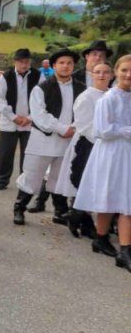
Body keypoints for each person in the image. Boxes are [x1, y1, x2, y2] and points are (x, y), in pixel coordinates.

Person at [13, 48, 85, 226]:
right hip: (43, 141)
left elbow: (85, 113)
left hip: (68, 140)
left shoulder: (81, 88)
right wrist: (61, 128)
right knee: (32, 175)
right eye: (61, 63)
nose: (65, 66)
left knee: (59, 176)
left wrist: (73, 129)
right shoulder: (42, 88)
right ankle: (20, 208)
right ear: (54, 66)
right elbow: (39, 115)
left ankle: (59, 212)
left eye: (69, 63)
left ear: (73, 65)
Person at [74, 55, 131, 268]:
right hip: (111, 153)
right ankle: (112, 244)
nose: (128, 75)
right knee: (112, 196)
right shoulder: (108, 99)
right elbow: (102, 130)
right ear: (116, 71)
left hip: (127, 152)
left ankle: (111, 243)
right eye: (124, 70)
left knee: (124, 198)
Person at [54, 63, 113, 240]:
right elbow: (85, 125)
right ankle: (78, 216)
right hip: (88, 145)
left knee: (99, 184)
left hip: (107, 146)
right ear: (92, 75)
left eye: (105, 72)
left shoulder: (113, 95)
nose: (101, 75)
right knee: (83, 182)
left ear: (111, 75)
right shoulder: (86, 97)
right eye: (98, 72)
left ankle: (86, 221)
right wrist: (104, 139)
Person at [0, 48, 41, 190]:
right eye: (21, 62)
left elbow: (42, 99)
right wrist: (14, 117)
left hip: (29, 122)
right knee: (5, 153)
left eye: (27, 62)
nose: (24, 65)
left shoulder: (38, 76)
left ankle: (25, 180)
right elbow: (0, 100)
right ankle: (3, 180)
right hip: (10, 122)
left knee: (28, 153)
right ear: (15, 62)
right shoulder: (6, 77)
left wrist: (31, 117)